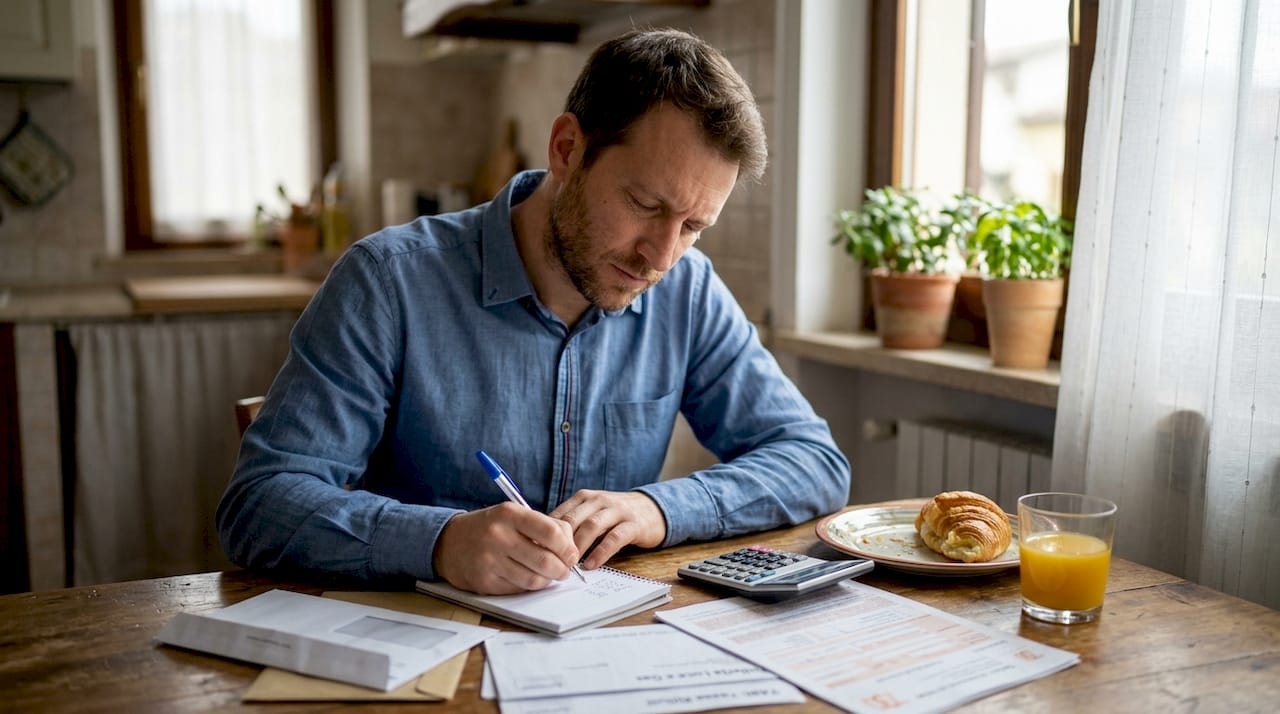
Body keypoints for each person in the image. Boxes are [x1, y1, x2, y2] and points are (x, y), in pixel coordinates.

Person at [217, 28, 850, 595]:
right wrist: (439, 542)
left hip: (601, 647)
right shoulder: (388, 281)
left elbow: (813, 462)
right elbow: (259, 505)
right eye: (644, 203)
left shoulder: (686, 290)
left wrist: (658, 510)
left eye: (693, 226)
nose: (661, 254)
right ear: (567, 148)